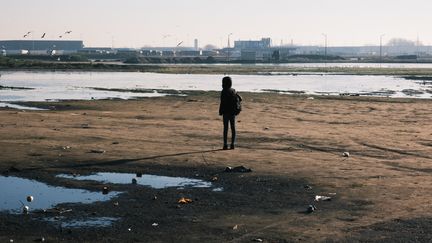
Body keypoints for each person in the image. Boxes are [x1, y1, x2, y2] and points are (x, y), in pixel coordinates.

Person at [219, 76, 241, 150]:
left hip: (225, 112)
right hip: (232, 112)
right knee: (233, 128)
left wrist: (220, 111)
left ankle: (225, 145)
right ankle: (232, 144)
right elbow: (240, 99)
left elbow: (222, 102)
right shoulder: (233, 90)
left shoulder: (223, 91)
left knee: (225, 128)